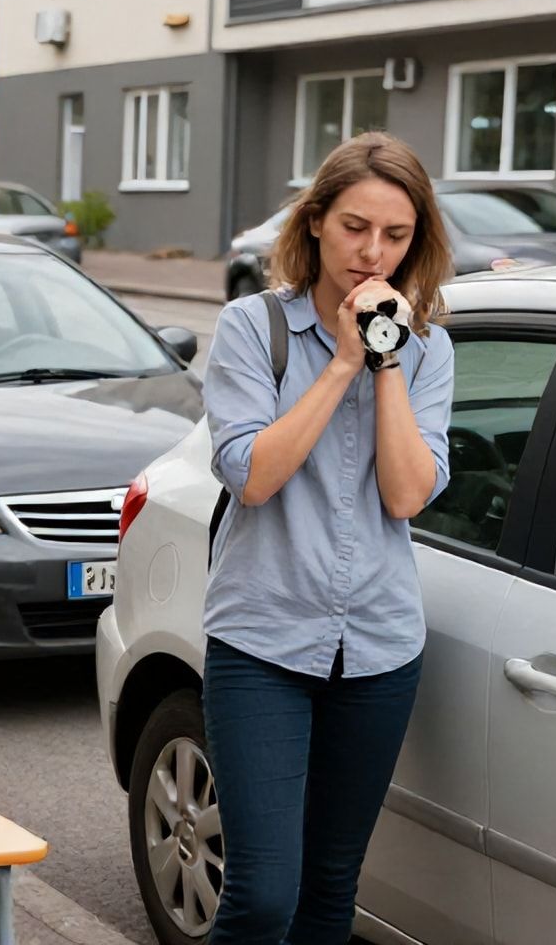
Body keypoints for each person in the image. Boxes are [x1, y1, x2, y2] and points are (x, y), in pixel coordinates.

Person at [198, 131, 455, 945]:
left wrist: (386, 361)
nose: (372, 252)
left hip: (378, 651)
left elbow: (406, 493)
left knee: (328, 897)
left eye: (396, 234)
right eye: (354, 227)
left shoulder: (428, 348)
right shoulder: (252, 328)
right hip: (262, 645)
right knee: (263, 895)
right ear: (314, 222)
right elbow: (253, 475)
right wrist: (342, 360)